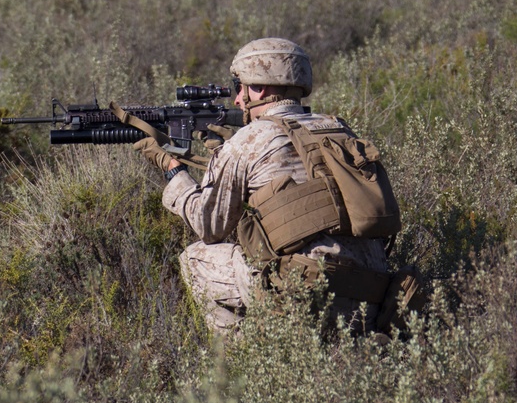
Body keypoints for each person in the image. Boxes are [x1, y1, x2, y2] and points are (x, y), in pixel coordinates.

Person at [134, 38, 393, 334]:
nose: (236, 100)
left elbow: (209, 226)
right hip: (370, 298)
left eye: (238, 87)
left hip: (303, 297)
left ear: (259, 88)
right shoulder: (339, 129)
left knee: (196, 258)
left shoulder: (249, 140)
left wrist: (173, 170)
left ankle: (239, 360)